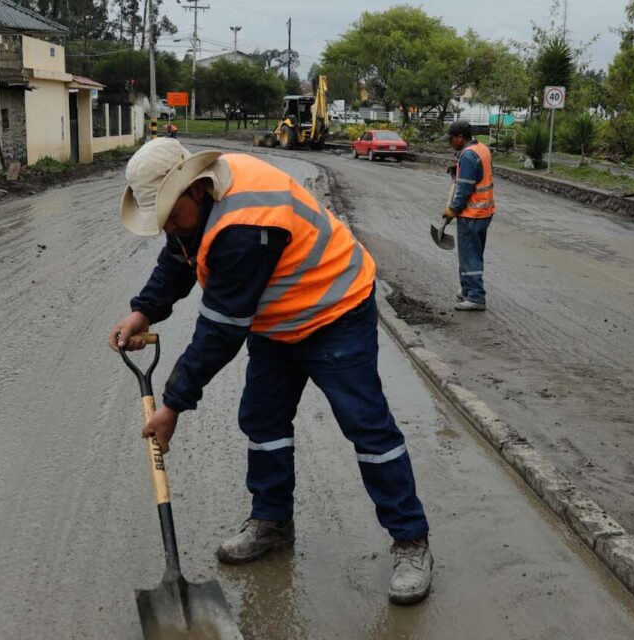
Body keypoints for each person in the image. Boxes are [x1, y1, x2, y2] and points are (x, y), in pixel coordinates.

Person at [108, 140, 433, 605]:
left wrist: (174, 404)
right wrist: (144, 311)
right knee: (262, 419)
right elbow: (182, 255)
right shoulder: (198, 206)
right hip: (279, 319)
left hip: (334, 310)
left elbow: (220, 330)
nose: (170, 227)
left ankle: (410, 540)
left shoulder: (243, 226)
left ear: (196, 188)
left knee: (366, 425)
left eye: (171, 215)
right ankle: (272, 521)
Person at [442, 120, 495, 311]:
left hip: (471, 214)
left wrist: (453, 210)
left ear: (460, 137)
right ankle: (467, 289)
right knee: (474, 253)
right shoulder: (481, 149)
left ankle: (475, 296)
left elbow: (464, 188)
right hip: (484, 212)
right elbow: (477, 175)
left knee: (469, 256)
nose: (450, 143)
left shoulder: (468, 156)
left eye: (451, 139)